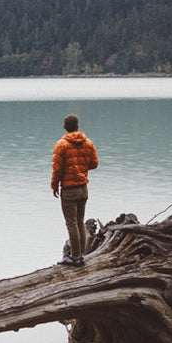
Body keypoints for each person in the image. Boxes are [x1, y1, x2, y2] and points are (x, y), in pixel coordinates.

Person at [51, 114, 98, 266]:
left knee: (71, 223)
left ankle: (75, 256)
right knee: (80, 222)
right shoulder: (88, 143)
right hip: (83, 189)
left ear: (65, 127)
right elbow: (94, 164)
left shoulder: (61, 145)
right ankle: (81, 255)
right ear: (77, 126)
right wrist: (81, 169)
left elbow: (57, 169)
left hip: (69, 190)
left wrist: (54, 185)